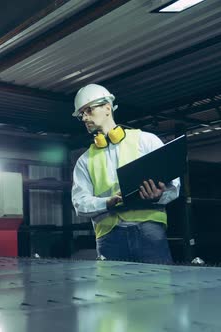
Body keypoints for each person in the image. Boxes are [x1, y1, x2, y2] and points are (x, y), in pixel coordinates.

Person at [71, 83, 180, 264]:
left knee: (157, 288)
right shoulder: (85, 160)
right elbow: (79, 203)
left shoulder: (146, 141)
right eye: (81, 114)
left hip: (149, 230)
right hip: (109, 237)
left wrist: (158, 196)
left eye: (88, 110)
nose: (84, 117)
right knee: (113, 291)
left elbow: (174, 185)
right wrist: (107, 202)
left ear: (107, 107)